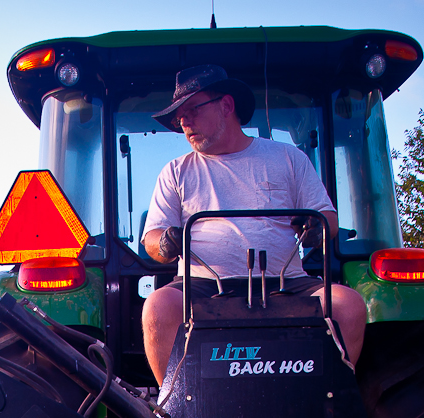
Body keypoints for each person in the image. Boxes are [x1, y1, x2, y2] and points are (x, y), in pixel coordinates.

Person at [139, 64, 366, 388]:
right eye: (179, 117)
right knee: (158, 307)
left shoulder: (288, 158)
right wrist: (165, 243)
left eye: (192, 110)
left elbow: (327, 218)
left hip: (288, 281)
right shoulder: (176, 171)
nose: (184, 122)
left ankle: (333, 402)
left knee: (349, 305)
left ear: (226, 105)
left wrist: (317, 230)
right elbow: (153, 238)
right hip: (200, 285)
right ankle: (174, 410)